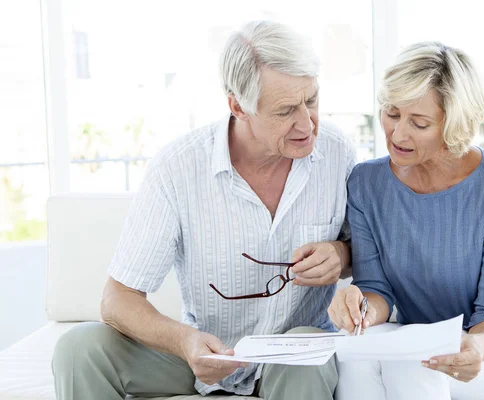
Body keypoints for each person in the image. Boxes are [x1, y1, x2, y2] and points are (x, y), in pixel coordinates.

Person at [52, 20, 356, 400]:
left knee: (307, 357)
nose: (307, 123)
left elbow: (361, 250)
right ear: (237, 106)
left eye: (311, 100)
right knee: (79, 349)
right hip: (204, 354)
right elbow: (118, 299)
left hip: (295, 351)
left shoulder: (337, 152)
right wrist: (186, 342)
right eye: (285, 111)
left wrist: (340, 254)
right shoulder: (178, 168)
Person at [328, 41, 484, 400]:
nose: (397, 134)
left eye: (419, 123)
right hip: (426, 336)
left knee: (418, 364)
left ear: (452, 125)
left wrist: (476, 348)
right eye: (391, 114)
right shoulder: (366, 182)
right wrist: (358, 306)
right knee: (352, 356)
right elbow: (378, 289)